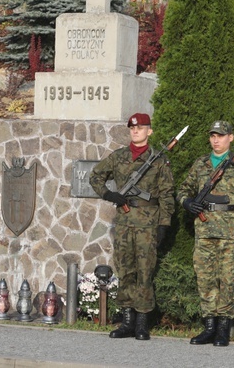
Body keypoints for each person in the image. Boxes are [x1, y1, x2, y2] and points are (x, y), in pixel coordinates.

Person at [89, 113, 175, 341]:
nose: (135, 131)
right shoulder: (118, 157)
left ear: (150, 131)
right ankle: (127, 321)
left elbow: (167, 194)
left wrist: (163, 225)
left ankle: (142, 323)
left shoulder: (158, 161)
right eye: (132, 128)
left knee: (145, 272)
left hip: (148, 223)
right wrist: (109, 194)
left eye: (141, 128)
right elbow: (95, 176)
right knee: (126, 270)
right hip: (125, 223)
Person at [177, 120, 234, 347]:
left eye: (221, 136)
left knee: (227, 280)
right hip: (204, 231)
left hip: (231, 232)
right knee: (205, 279)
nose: (216, 140)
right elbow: (182, 190)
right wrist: (188, 202)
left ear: (230, 138)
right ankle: (209, 326)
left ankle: (223, 329)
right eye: (213, 135)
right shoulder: (200, 164)